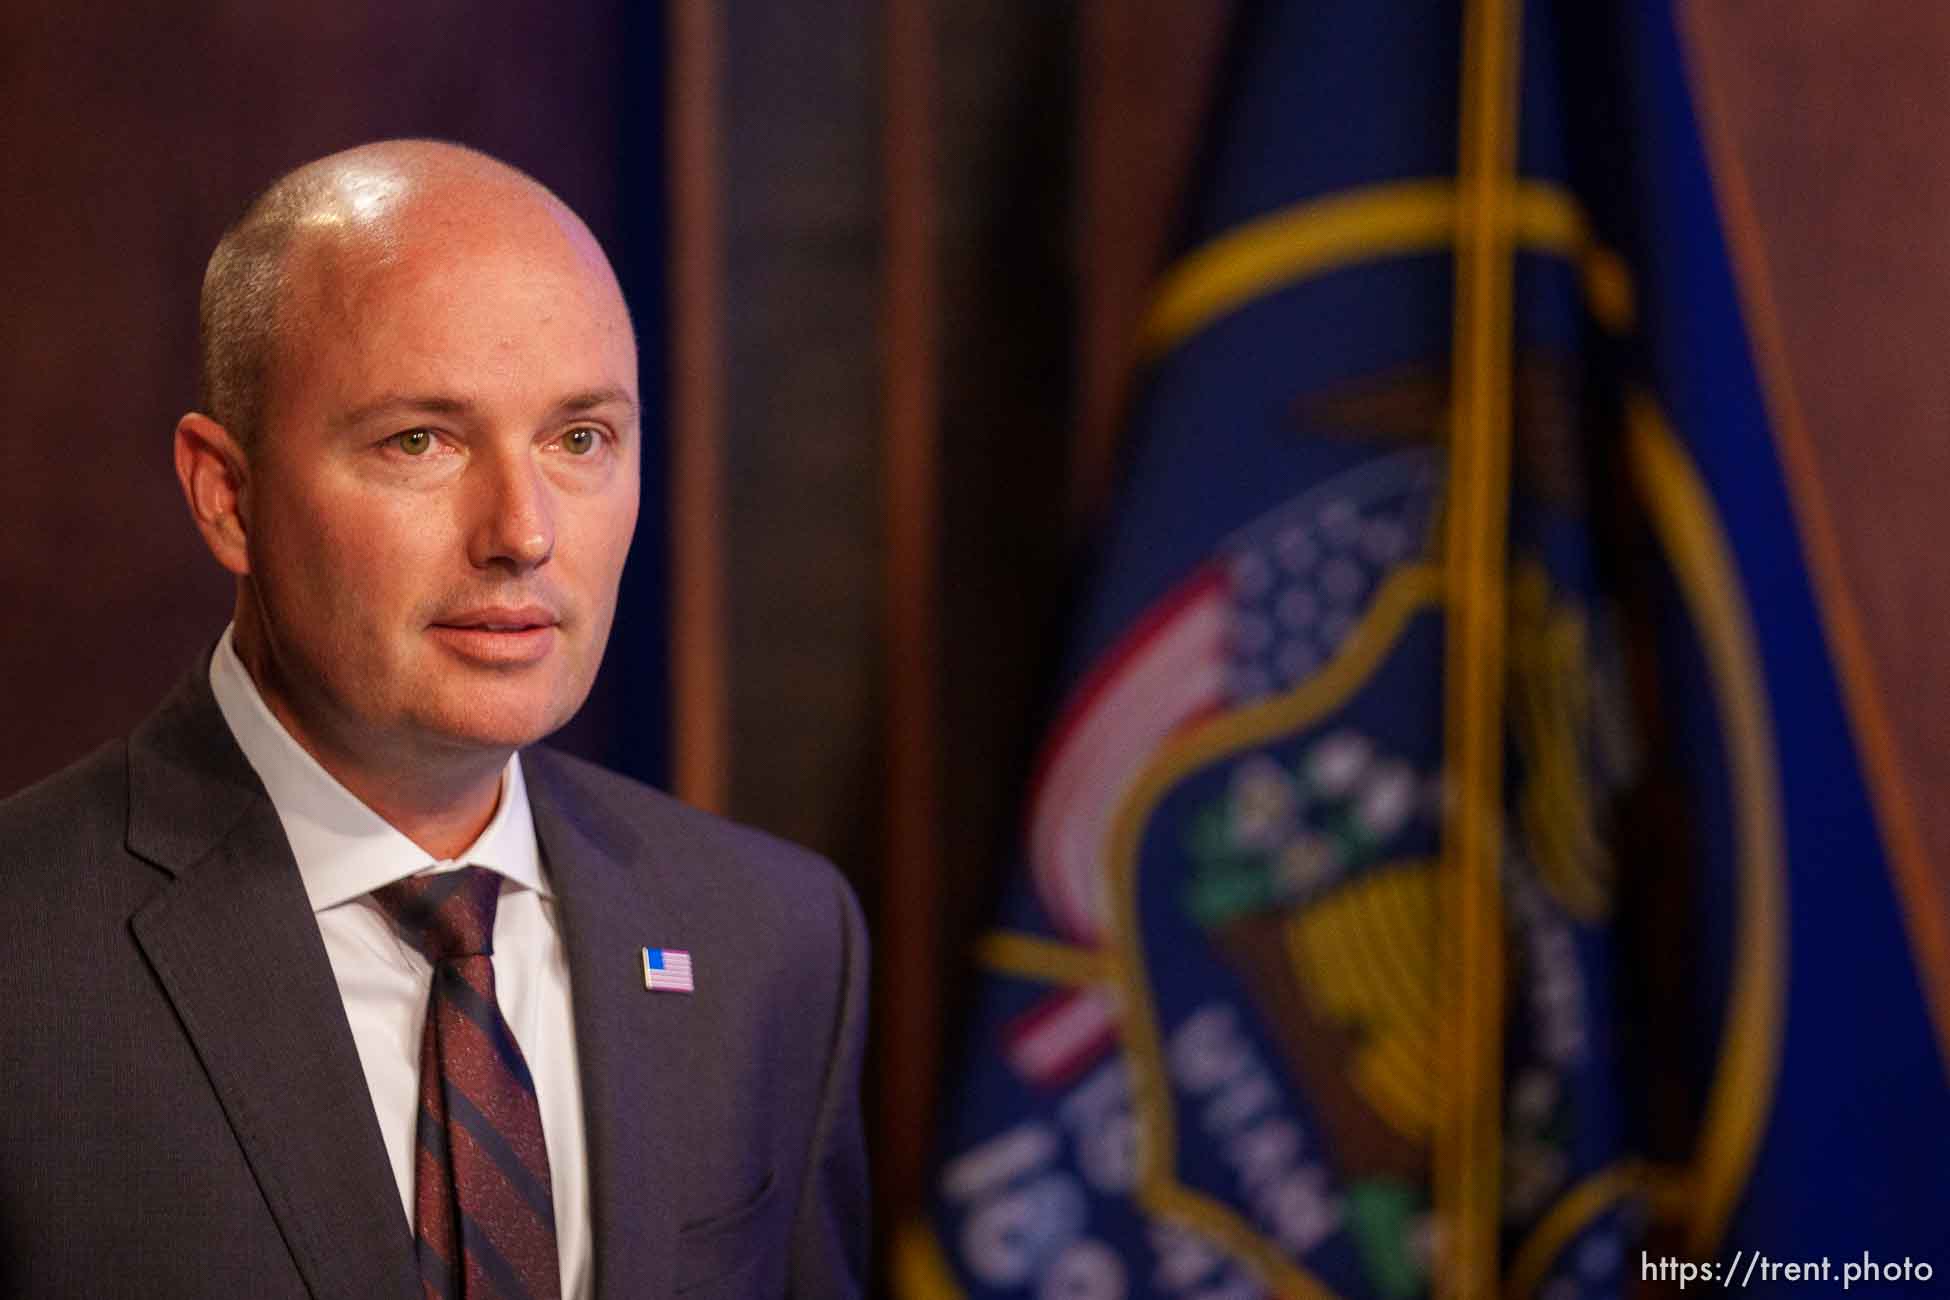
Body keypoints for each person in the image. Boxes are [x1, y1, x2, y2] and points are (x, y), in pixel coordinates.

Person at [0, 140, 868, 1299]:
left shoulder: (775, 939)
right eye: (422, 440)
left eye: (580, 439)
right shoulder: (26, 959)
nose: (524, 531)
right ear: (228, 495)